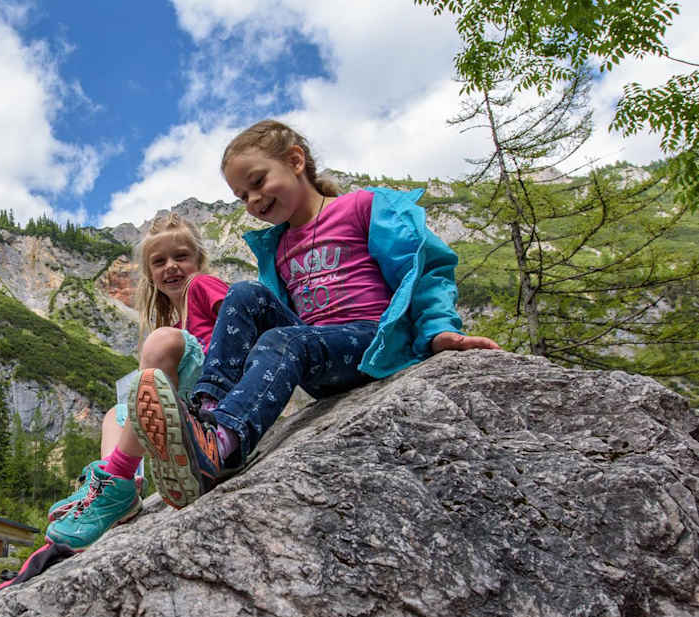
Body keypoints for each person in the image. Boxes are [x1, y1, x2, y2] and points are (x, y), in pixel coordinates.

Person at [132, 119, 501, 507]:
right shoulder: (276, 247)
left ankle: (224, 441)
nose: (253, 201)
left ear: (295, 161)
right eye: (242, 196)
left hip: (373, 343)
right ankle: (206, 419)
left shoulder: (360, 207)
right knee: (244, 293)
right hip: (318, 355)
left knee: (282, 339)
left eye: (257, 182)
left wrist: (438, 330)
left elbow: (425, 268)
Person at [45, 214, 230, 550]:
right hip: (185, 403)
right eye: (159, 262)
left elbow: (239, 319)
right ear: (150, 274)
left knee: (159, 344)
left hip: (211, 392)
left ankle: (116, 475)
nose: (171, 267)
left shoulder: (204, 286)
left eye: (181, 257)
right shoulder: (176, 319)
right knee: (114, 414)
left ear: (199, 261)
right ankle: (118, 489)